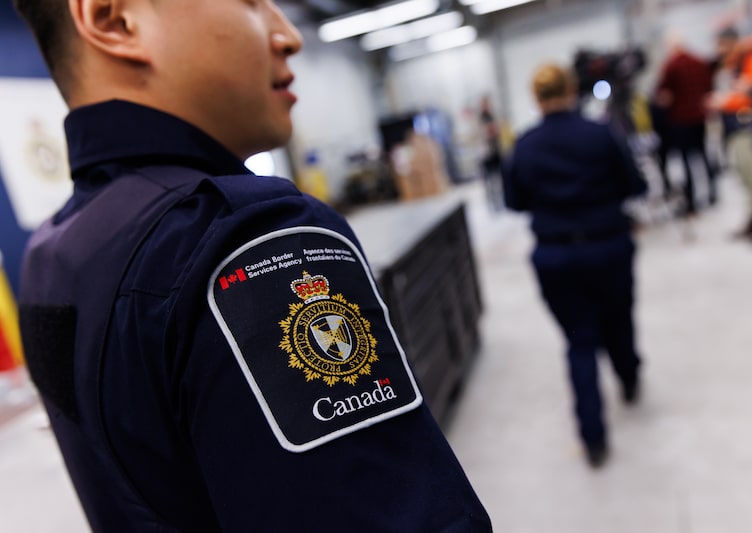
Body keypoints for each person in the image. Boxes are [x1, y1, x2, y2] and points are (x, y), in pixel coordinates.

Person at [12, 0, 492, 531]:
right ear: (114, 21)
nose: (289, 35)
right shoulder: (243, 237)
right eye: (251, 2)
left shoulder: (50, 253)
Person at [503, 63, 647, 468]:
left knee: (579, 342)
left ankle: (593, 439)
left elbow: (514, 201)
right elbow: (634, 184)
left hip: (556, 255)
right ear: (572, 90)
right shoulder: (601, 134)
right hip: (609, 245)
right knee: (619, 319)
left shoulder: (525, 146)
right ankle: (629, 377)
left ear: (536, 97)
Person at [710, 28, 752, 243]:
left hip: (749, 126)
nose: (721, 49)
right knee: (746, 176)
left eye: (723, 44)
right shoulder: (733, 62)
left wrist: (725, 101)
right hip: (734, 127)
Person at [656, 35, 716, 215]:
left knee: (686, 159)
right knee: (703, 155)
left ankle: (691, 198)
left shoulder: (671, 66)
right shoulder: (699, 62)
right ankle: (712, 192)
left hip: (681, 119)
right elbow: (709, 86)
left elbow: (662, 93)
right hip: (699, 117)